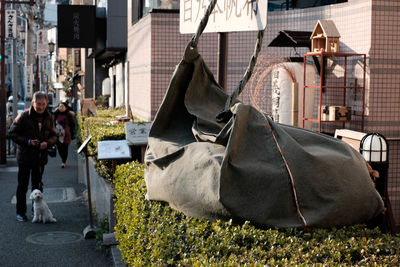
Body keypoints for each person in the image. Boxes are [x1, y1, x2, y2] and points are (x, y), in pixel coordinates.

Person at [9, 91, 57, 222]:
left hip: (40, 157)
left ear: (47, 103)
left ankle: (37, 212)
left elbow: (54, 135)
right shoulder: (23, 116)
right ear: (33, 103)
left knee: (38, 186)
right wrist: (28, 142)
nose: (40, 107)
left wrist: (47, 143)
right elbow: (12, 133)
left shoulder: (49, 117)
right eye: (38, 104)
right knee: (23, 186)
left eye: (43, 104)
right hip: (25, 157)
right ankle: (20, 212)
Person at [53, 101, 76, 168]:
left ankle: (64, 161)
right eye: (60, 106)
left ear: (66, 107)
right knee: (59, 148)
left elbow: (72, 125)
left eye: (62, 106)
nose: (61, 107)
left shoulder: (69, 115)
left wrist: (72, 134)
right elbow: (52, 123)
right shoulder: (56, 114)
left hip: (66, 134)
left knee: (65, 148)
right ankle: (62, 158)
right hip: (57, 134)